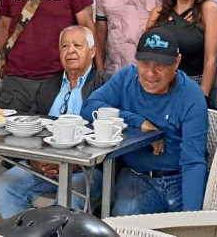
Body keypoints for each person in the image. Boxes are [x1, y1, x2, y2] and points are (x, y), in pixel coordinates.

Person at [82, 26, 208, 216]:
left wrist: (192, 219)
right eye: (144, 63)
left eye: (160, 65)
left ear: (177, 63)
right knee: (125, 218)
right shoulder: (127, 77)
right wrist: (138, 122)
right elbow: (89, 107)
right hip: (137, 177)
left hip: (179, 177)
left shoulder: (191, 94)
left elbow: (193, 161)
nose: (150, 73)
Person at [0, 26, 107, 218]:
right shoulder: (47, 86)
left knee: (68, 198)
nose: (70, 50)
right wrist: (34, 160)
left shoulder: (105, 85)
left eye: (78, 45)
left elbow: (109, 135)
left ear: (92, 51)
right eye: (64, 46)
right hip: (44, 165)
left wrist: (76, 164)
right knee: (4, 187)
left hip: (86, 170)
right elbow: (32, 127)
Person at [146, 0, 217, 106]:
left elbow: (211, 59)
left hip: (193, 90)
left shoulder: (209, 10)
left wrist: (201, 97)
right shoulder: (157, 13)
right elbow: (146, 58)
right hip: (157, 92)